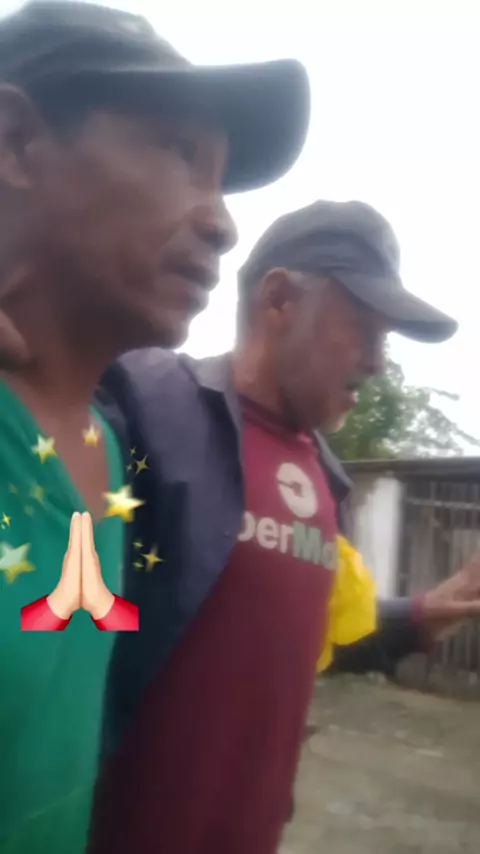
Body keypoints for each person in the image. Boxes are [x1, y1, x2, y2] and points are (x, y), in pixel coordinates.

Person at [0, 2, 310, 851]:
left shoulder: (113, 447)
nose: (223, 222)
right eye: (179, 151)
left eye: (222, 178)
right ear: (17, 141)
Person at [91, 199, 480, 854]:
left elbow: (303, 636)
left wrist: (421, 615)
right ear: (278, 300)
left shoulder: (327, 476)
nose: (378, 362)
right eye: (365, 329)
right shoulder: (145, 401)